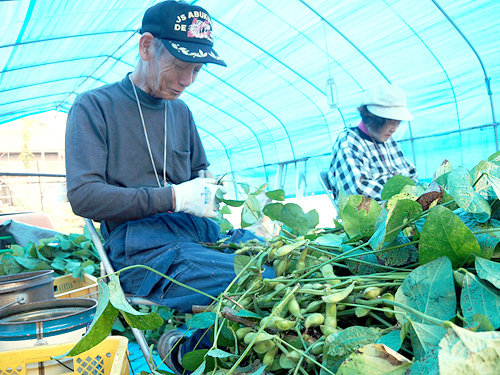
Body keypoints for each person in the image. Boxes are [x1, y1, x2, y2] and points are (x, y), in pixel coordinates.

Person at [65, 1, 272, 373]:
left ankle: (192, 346)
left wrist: (208, 191)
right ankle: (186, 349)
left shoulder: (181, 112)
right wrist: (174, 196)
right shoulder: (95, 106)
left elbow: (200, 172)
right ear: (147, 46)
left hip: (199, 234)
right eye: (179, 66)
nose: (187, 80)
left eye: (196, 69)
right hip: (141, 248)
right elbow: (83, 196)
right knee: (259, 279)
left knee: (288, 260)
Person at [328, 83, 418, 206]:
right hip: (367, 219)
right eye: (391, 121)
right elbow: (359, 193)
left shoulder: (388, 140)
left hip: (400, 208)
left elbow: (411, 175)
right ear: (373, 118)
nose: (394, 129)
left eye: (398, 122)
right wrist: (403, 191)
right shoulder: (349, 141)